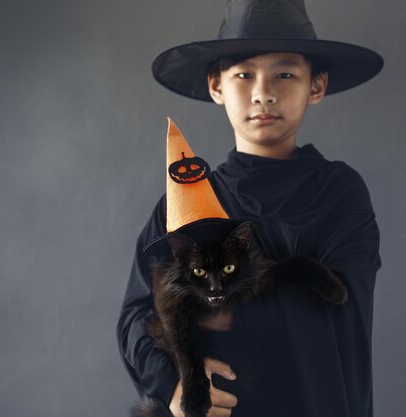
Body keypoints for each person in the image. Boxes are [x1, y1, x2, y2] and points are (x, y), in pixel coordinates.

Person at [117, 1, 383, 416]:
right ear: (216, 85)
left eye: (285, 73)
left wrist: (209, 310)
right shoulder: (185, 202)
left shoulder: (338, 191)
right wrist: (178, 384)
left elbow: (338, 307)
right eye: (243, 74)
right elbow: (136, 314)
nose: (263, 92)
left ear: (316, 86)